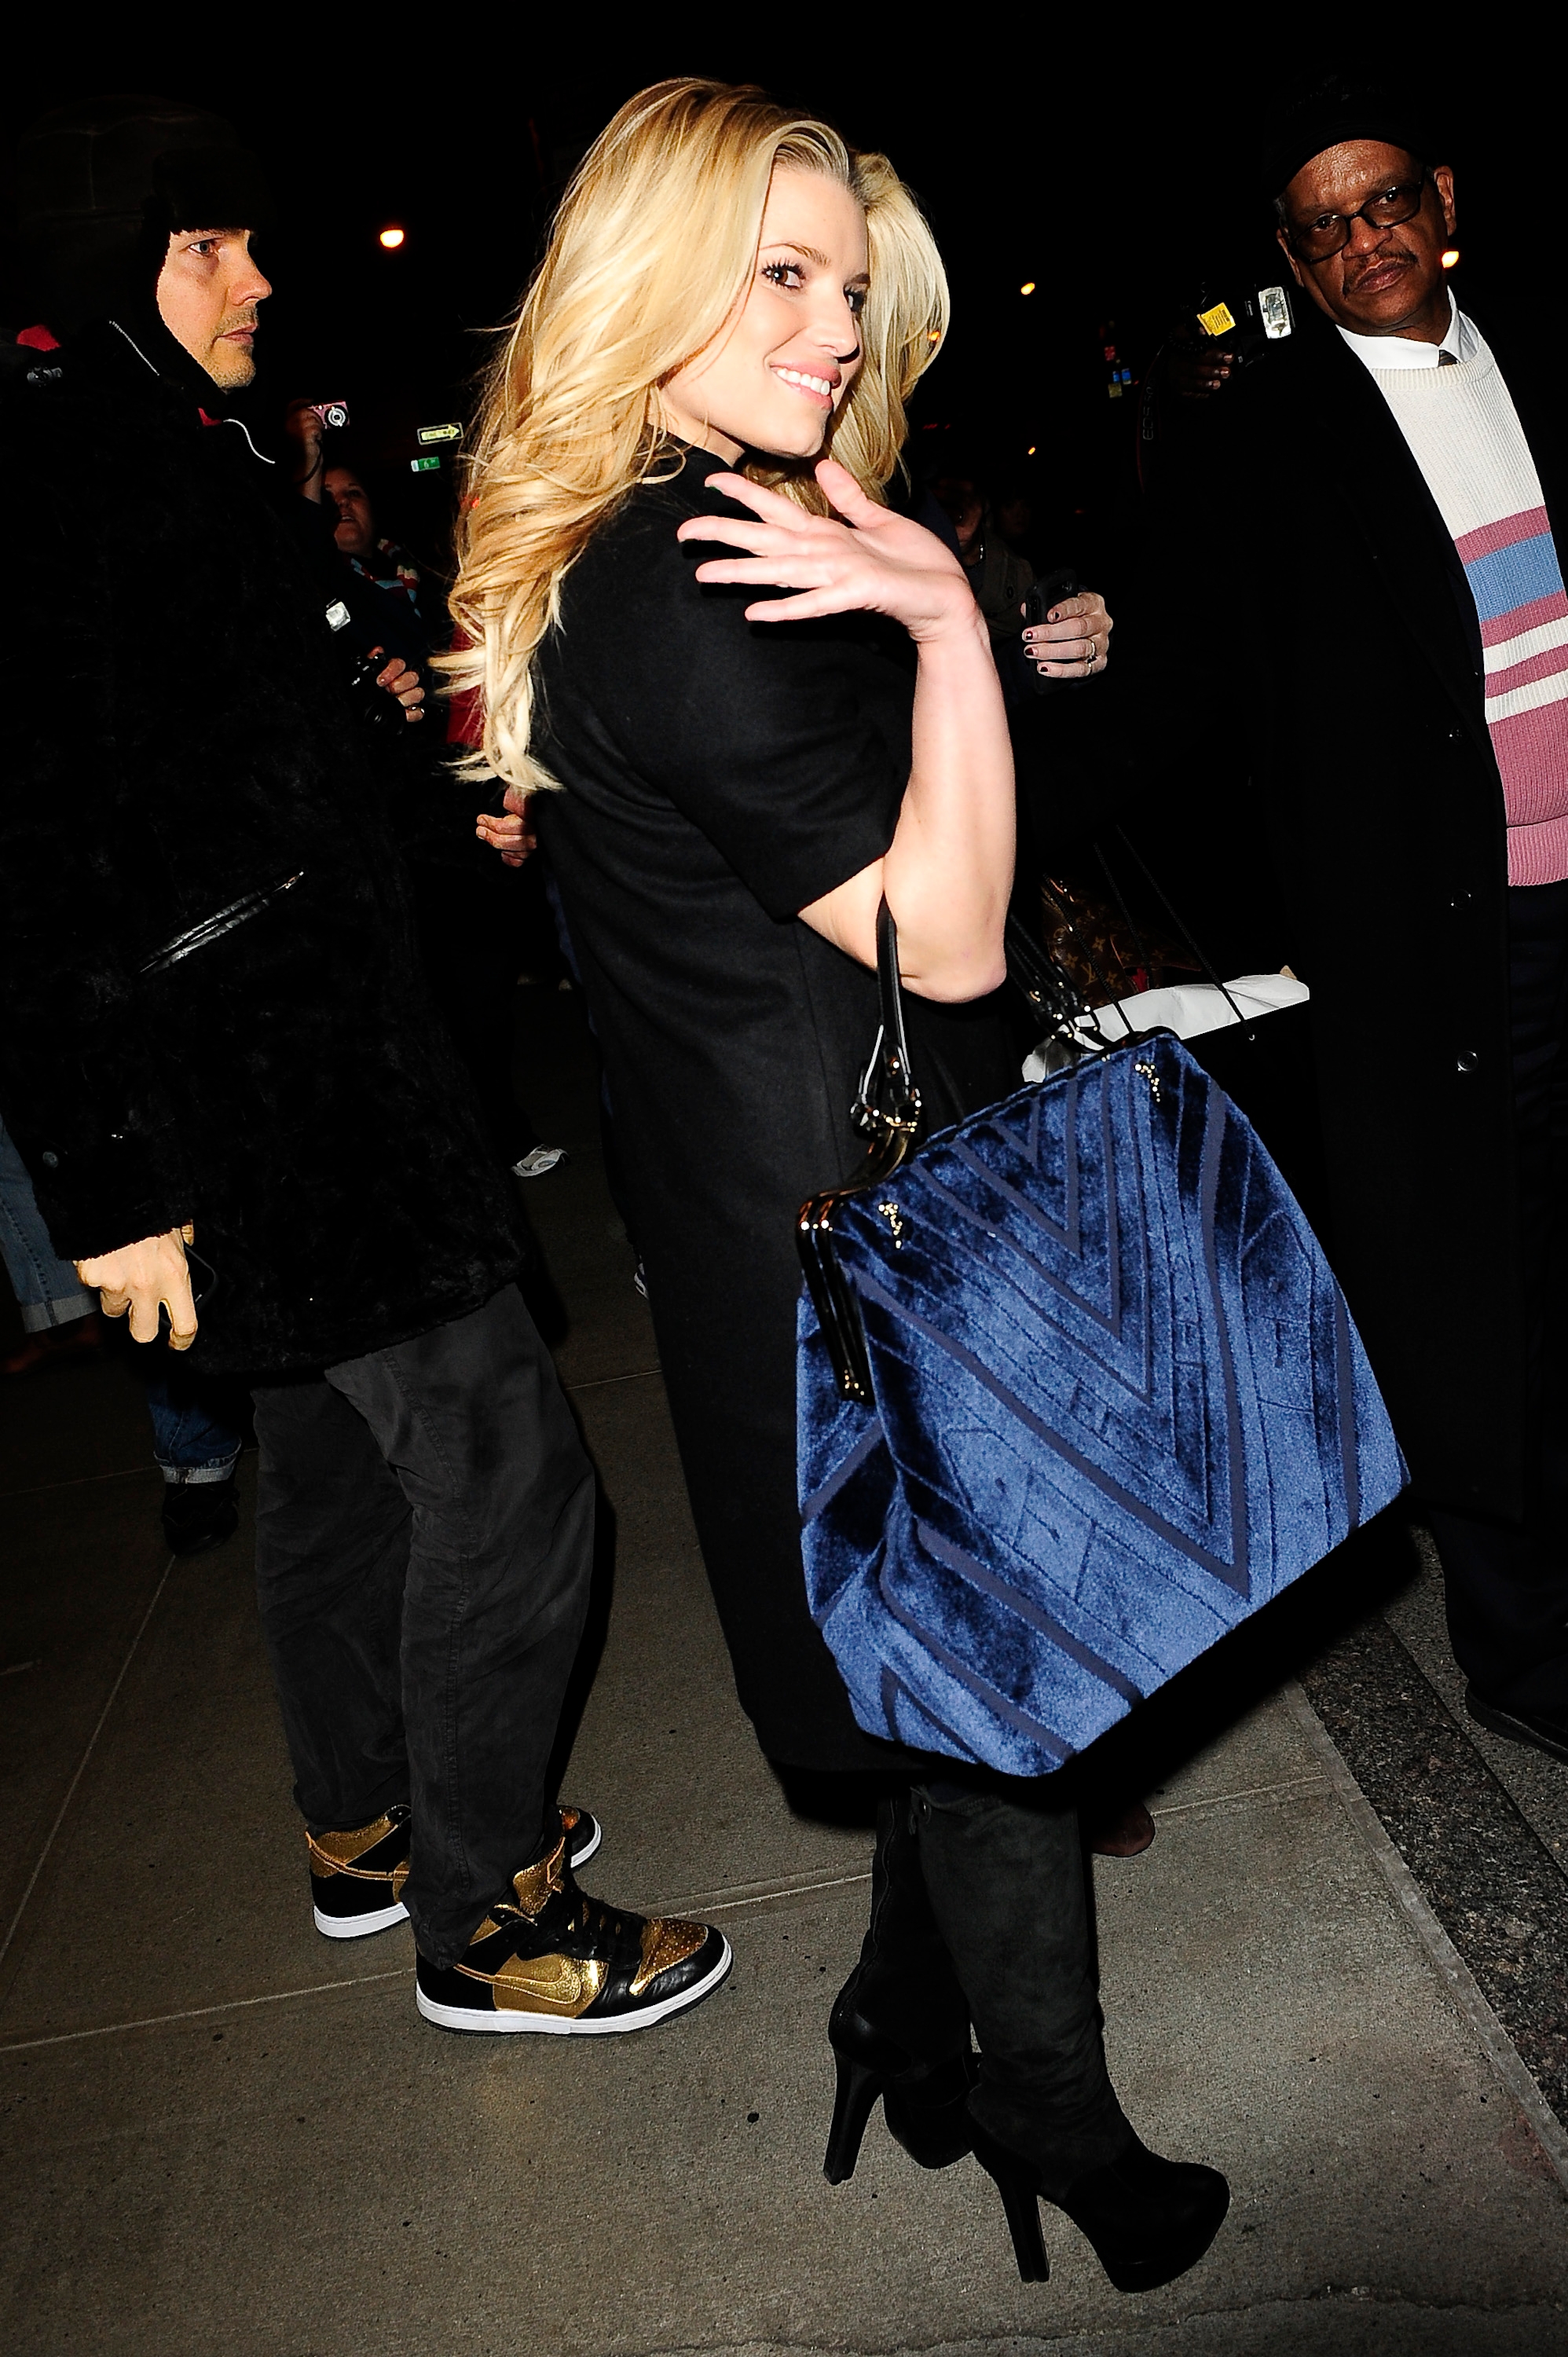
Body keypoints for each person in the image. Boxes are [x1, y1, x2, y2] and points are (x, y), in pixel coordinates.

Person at [456, 78, 1227, 2293]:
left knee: (940, 1655)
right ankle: (1048, 2109)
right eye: (778, 276)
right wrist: (951, 624)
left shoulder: (699, 525)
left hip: (808, 1189)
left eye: (846, 280)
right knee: (989, 1684)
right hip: (850, 1223)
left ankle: (899, 2017)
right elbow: (950, 934)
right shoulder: (686, 580)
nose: (833, 322)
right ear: (653, 285)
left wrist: (970, 626)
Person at [0, 94, 726, 2038]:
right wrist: (107, 1184)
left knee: (333, 1469)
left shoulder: (174, 441)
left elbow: (237, 780)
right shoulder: (57, 472)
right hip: (270, 1094)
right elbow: (34, 851)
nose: (257, 276)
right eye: (209, 247)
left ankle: (370, 1823)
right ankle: (488, 1918)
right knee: (508, 1474)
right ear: (112, 266)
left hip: (298, 1052)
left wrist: (423, 806)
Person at [1131, 80, 1568, 1765]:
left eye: (1384, 201)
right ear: (1290, 257)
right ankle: (1524, 1652)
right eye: (1324, 226)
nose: (1363, 239)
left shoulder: (1534, 354)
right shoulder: (1262, 441)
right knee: (1477, 1311)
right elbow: (1181, 676)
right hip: (1445, 957)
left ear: (1442, 198)